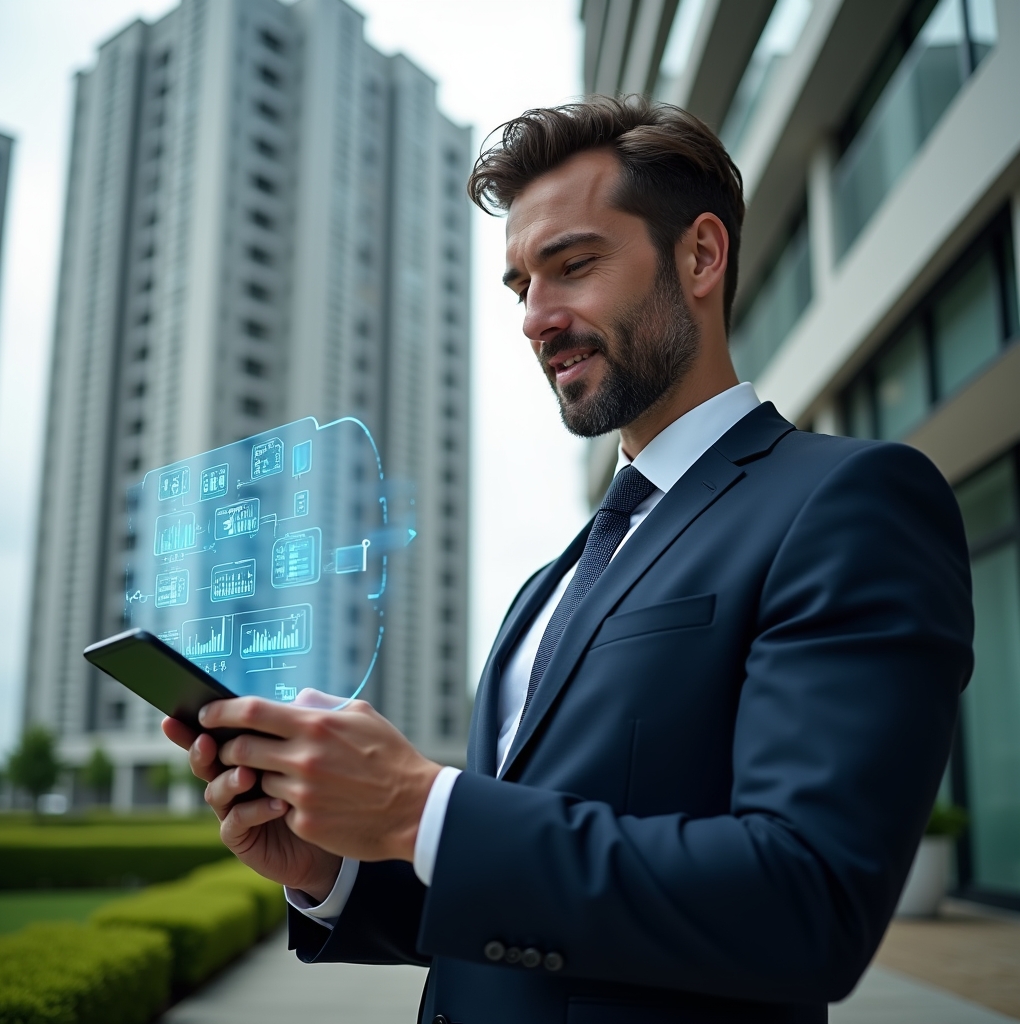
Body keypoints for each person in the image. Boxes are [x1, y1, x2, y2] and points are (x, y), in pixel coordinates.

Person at [164, 96, 973, 1023]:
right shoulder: (547, 587)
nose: (535, 319)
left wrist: (418, 806)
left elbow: (804, 902)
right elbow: (519, 911)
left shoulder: (849, 502)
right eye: (519, 287)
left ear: (701, 256)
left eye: (574, 265)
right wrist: (339, 871)